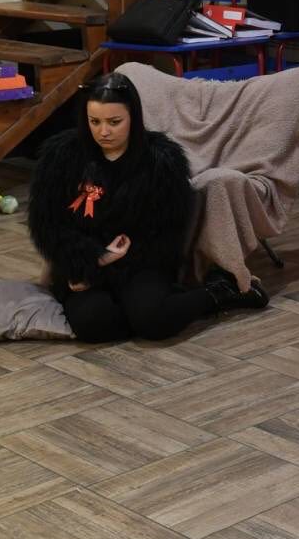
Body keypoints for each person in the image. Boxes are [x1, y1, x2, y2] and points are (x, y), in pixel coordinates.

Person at [28, 72, 265, 342]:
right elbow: (48, 226)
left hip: (141, 263)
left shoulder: (162, 160)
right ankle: (148, 309)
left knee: (152, 322)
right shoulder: (61, 156)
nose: (103, 131)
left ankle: (220, 292)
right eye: (94, 122)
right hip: (84, 264)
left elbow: (166, 235)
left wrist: (116, 265)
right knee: (94, 324)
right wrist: (94, 261)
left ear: (134, 118)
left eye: (114, 122)